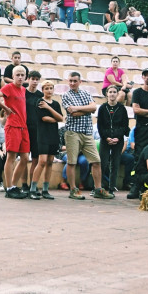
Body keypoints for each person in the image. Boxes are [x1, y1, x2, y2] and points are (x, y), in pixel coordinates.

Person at [59, 71, 110, 200]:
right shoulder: (65, 95)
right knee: (72, 162)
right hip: (72, 132)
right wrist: (85, 110)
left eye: (75, 81)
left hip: (87, 132)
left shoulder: (86, 93)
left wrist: (77, 108)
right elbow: (73, 113)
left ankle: (98, 189)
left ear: (80, 82)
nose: (72, 83)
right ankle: (73, 189)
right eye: (70, 80)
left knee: (96, 161)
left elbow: (93, 108)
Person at [0, 65, 32, 199]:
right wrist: (5, 108)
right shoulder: (8, 87)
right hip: (12, 125)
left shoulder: (24, 90)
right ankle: (10, 188)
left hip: (23, 127)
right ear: (13, 76)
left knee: (24, 158)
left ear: (25, 77)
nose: (20, 77)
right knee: (11, 157)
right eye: (17, 74)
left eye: (22, 75)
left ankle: (14, 185)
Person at [32, 80, 64, 199]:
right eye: (47, 88)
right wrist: (55, 117)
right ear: (43, 89)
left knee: (50, 161)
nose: (49, 90)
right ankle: (33, 189)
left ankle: (45, 190)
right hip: (43, 134)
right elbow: (44, 118)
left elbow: (61, 118)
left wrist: (49, 108)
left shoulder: (55, 103)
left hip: (53, 135)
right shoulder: (39, 101)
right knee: (42, 161)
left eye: (51, 88)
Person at [98, 85, 130, 191]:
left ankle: (112, 187)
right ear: (107, 94)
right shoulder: (102, 108)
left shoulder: (122, 108)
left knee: (115, 164)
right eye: (110, 92)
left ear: (117, 94)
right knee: (103, 164)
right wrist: (106, 137)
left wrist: (117, 137)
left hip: (118, 140)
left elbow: (125, 125)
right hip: (105, 140)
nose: (112, 94)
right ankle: (100, 186)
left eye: (114, 92)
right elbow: (100, 126)